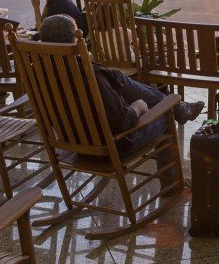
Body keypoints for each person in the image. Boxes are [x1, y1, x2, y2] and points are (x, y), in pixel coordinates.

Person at [39, 14, 202, 170]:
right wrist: (138, 107)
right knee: (166, 112)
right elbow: (122, 121)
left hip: (74, 147)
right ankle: (170, 189)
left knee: (118, 77)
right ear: (74, 39)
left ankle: (178, 107)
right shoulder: (87, 74)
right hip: (109, 148)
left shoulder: (39, 73)